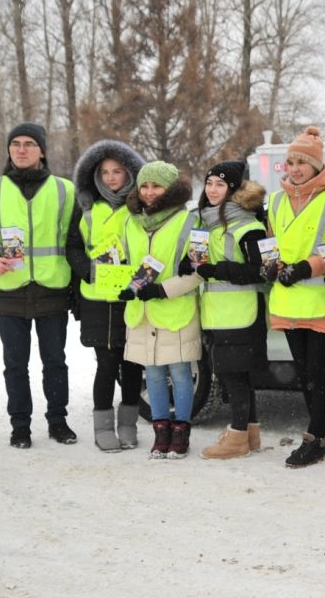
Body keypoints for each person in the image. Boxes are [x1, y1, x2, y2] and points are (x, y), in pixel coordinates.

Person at [0, 122, 78, 449]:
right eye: (15, 143)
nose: (21, 149)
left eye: (29, 143)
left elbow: (74, 240)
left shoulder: (64, 190)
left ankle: (58, 421)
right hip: (10, 289)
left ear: (41, 150)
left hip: (52, 287)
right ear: (8, 149)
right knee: (15, 364)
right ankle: (20, 426)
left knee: (55, 362)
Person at [265, 127, 325, 468]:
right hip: (287, 299)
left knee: (317, 371)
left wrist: (305, 268)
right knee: (303, 372)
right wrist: (271, 266)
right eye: (290, 162)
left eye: (302, 162)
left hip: (319, 299)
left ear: (317, 166)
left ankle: (314, 437)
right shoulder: (274, 200)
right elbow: (270, 242)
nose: (295, 169)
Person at [117, 161, 202, 459]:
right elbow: (124, 260)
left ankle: (181, 431)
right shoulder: (131, 221)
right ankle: (160, 430)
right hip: (141, 313)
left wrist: (163, 289)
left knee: (179, 373)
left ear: (170, 190)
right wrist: (118, 279)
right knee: (152, 374)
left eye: (156, 186)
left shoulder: (188, 221)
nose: (149, 192)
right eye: (144, 186)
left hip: (175, 309)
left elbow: (197, 271)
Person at [66, 140, 146, 451]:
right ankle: (103, 426)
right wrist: (89, 270)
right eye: (105, 172)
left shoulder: (139, 210)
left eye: (117, 171)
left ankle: (128, 424)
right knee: (107, 363)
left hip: (132, 296)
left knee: (133, 363)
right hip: (98, 299)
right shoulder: (87, 209)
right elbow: (72, 247)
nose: (111, 178)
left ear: (129, 174)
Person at [194, 161, 268, 459]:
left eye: (220, 184)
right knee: (236, 375)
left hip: (241, 313)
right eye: (209, 183)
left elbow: (260, 271)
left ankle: (236, 438)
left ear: (234, 190)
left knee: (234, 377)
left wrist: (217, 269)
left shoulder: (249, 227)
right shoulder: (210, 224)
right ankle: (249, 433)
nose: (212, 190)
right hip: (219, 312)